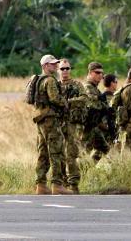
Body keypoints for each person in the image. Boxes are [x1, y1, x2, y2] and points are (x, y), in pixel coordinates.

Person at [33, 54, 71, 195]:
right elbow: (55, 98)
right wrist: (66, 103)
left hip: (40, 119)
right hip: (50, 119)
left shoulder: (38, 80)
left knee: (43, 152)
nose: (56, 66)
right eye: (52, 64)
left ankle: (41, 184)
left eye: (56, 64)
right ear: (45, 66)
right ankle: (57, 184)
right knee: (56, 151)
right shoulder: (49, 80)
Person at [58, 59, 87, 194]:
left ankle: (73, 184)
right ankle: (61, 183)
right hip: (58, 123)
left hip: (72, 124)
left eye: (67, 68)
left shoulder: (77, 85)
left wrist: (68, 102)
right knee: (58, 154)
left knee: (71, 154)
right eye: (62, 69)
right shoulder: (55, 85)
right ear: (58, 70)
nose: (65, 71)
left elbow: (84, 98)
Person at [82, 62, 111, 162]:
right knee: (83, 152)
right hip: (87, 127)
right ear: (90, 73)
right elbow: (93, 105)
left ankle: (86, 169)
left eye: (102, 73)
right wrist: (104, 106)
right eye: (97, 72)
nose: (100, 75)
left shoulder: (94, 89)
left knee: (104, 148)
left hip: (95, 126)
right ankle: (75, 175)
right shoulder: (87, 87)